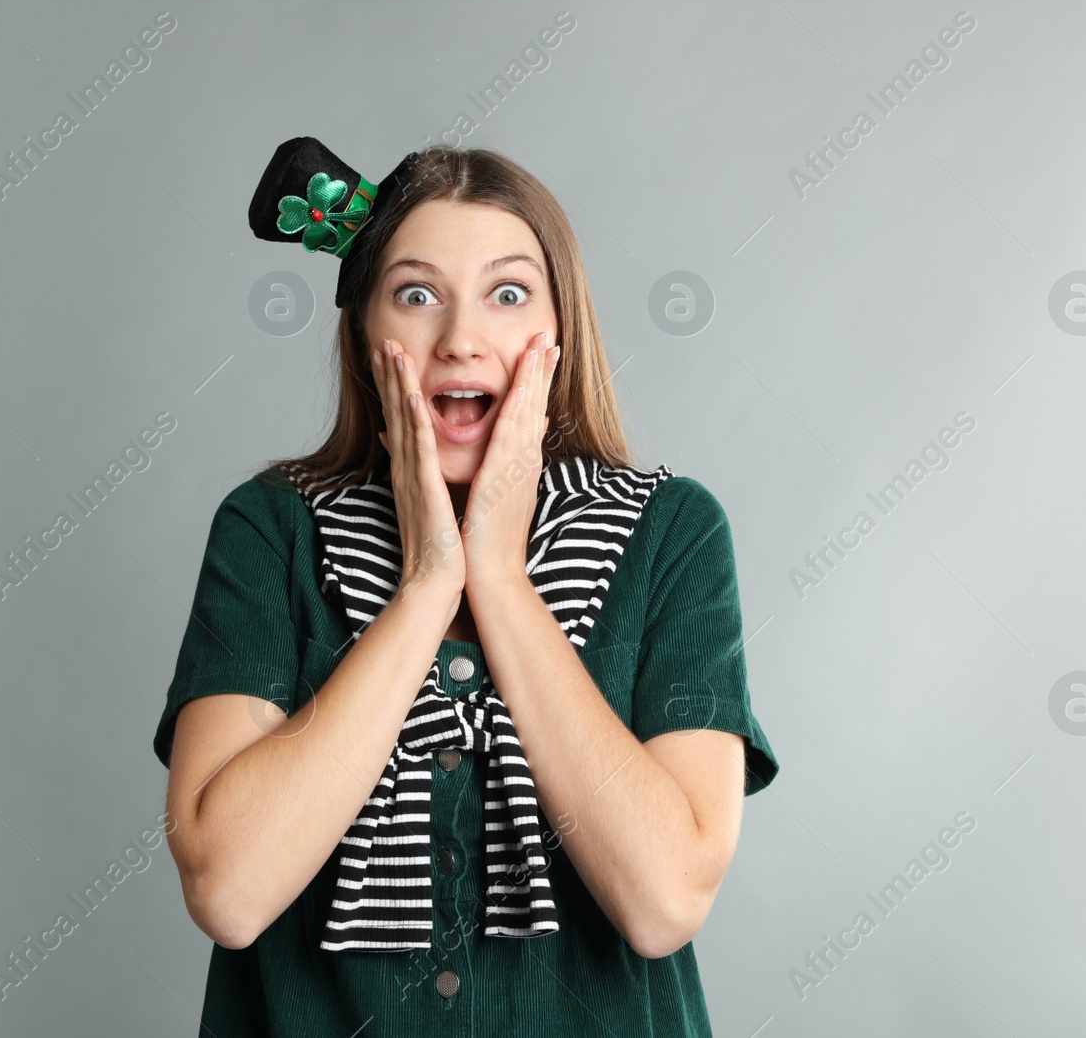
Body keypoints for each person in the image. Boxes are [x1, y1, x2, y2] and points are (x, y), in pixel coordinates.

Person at [152, 137, 779, 1036]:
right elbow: (230, 888)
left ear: (559, 333)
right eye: (416, 294)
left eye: (509, 292)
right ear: (367, 334)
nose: (460, 338)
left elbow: (664, 901)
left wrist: (499, 579)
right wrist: (426, 584)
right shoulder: (270, 529)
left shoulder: (671, 532)